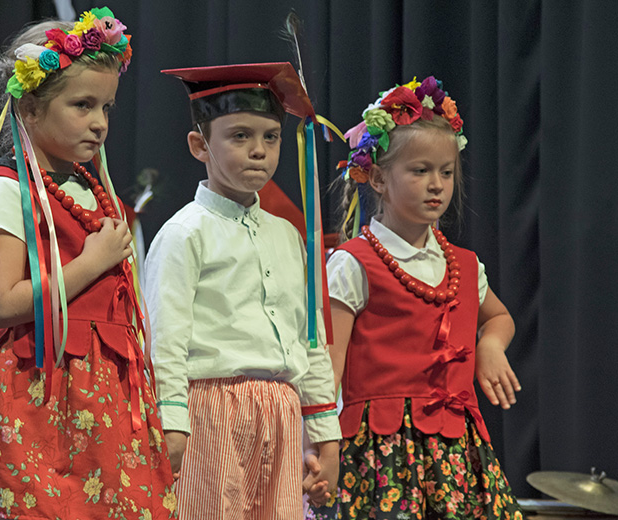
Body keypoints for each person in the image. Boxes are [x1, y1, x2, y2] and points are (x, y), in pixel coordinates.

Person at [0, 7, 177, 519]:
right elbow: (1, 302)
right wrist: (91, 262)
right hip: (44, 389)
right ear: (31, 108)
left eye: (106, 106)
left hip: (104, 389)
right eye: (82, 105)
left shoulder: (88, 186)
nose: (100, 123)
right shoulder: (6, 187)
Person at [310, 76, 525, 519]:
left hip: (456, 456)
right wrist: (320, 444)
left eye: (446, 172)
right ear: (378, 179)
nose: (436, 185)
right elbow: (326, 370)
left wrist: (490, 343)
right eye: (420, 171)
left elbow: (499, 316)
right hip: (379, 456)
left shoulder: (465, 265)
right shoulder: (354, 263)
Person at [147, 62, 342, 519]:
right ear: (200, 145)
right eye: (239, 136)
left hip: (280, 413)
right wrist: (172, 422)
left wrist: (325, 434)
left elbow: (309, 337)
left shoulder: (288, 235)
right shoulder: (185, 234)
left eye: (270, 137)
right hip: (211, 413)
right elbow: (166, 340)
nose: (259, 151)